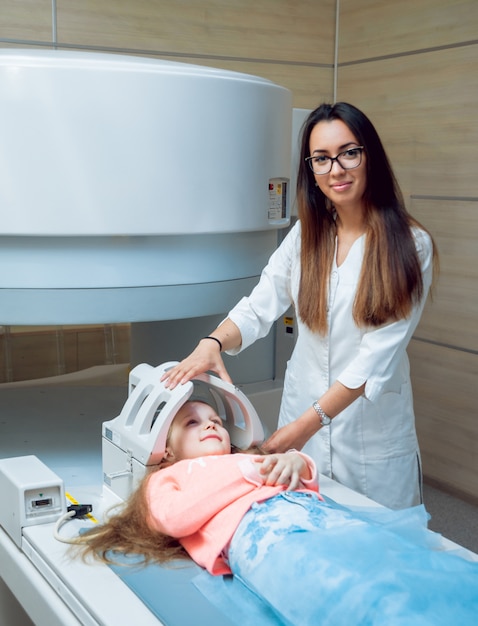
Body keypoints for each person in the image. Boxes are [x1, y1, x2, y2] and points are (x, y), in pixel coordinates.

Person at [161, 101, 439, 510]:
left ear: (370, 155)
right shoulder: (306, 235)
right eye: (321, 159)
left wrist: (303, 427)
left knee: (379, 546)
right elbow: (260, 304)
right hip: (301, 410)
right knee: (306, 531)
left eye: (349, 152)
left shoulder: (411, 246)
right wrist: (213, 343)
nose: (336, 170)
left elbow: (373, 361)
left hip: (369, 432)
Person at [74, 401, 478, 626]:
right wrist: (248, 475)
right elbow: (175, 518)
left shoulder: (250, 458)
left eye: (215, 420)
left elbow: (303, 475)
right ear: (169, 448)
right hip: (266, 537)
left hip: (320, 518)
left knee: (397, 561)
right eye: (192, 423)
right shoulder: (173, 476)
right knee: (354, 591)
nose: (211, 425)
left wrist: (297, 463)